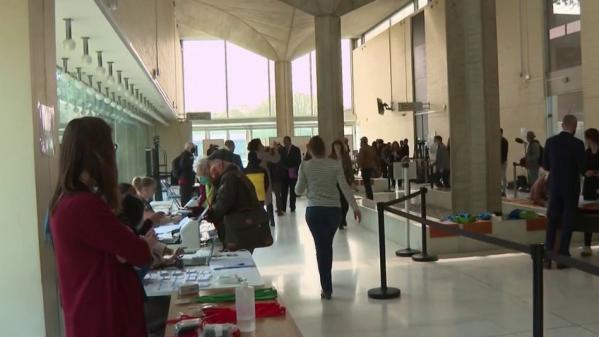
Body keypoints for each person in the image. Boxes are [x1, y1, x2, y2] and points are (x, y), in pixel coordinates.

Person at [50, 117, 153, 337]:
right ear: (97, 153)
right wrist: (136, 242)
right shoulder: (84, 205)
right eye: (111, 146)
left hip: (88, 316)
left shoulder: (64, 201)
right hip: (105, 319)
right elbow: (139, 253)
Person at [295, 136, 361, 299]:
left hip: (314, 211)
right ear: (324, 149)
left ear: (309, 149)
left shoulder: (305, 165)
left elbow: (298, 190)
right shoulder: (335, 164)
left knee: (321, 248)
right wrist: (355, 207)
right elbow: (345, 187)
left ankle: (327, 287)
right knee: (327, 246)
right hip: (334, 211)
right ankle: (327, 281)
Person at [543, 114, 586, 268]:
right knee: (568, 220)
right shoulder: (578, 144)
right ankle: (562, 256)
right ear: (574, 127)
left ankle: (547, 254)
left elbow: (546, 166)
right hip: (570, 188)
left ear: (563, 126)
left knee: (552, 219)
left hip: (554, 186)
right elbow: (583, 168)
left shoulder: (550, 142)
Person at [204, 149, 264, 248]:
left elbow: (222, 205)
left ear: (220, 163)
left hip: (238, 231)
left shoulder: (229, 178)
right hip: (245, 228)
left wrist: (208, 215)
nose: (211, 169)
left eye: (211, 165)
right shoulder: (237, 174)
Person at [247, 139, 281, 226]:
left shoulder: (252, 154)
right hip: (263, 177)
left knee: (257, 200)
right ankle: (271, 220)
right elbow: (276, 159)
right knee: (268, 199)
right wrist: (276, 149)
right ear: (258, 146)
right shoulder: (262, 154)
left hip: (253, 178)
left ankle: (258, 220)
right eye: (261, 144)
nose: (262, 145)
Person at [581, 128, 599, 257]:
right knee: (588, 217)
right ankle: (587, 245)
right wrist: (585, 172)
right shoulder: (586, 152)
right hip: (589, 187)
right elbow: (582, 168)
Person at [330, 139, 355, 230]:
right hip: (335, 183)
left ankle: (343, 218)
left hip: (345, 181)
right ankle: (340, 221)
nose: (337, 148)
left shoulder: (345, 156)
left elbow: (350, 169)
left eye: (338, 146)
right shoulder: (331, 157)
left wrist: (352, 180)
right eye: (335, 146)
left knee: (345, 203)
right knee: (338, 202)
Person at [281, 136, 302, 213]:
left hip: (293, 172)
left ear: (289, 141)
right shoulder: (281, 150)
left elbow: (298, 161)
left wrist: (294, 169)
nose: (285, 143)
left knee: (293, 190)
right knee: (284, 191)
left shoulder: (296, 149)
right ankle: (283, 207)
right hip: (284, 173)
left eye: (286, 141)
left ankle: (292, 207)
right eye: (284, 142)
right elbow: (280, 161)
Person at [501, 128, 509, 196]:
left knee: (503, 176)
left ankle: (504, 191)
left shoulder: (504, 140)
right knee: (501, 176)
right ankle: (502, 190)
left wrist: (503, 161)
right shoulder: (498, 140)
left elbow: (505, 152)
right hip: (499, 161)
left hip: (502, 161)